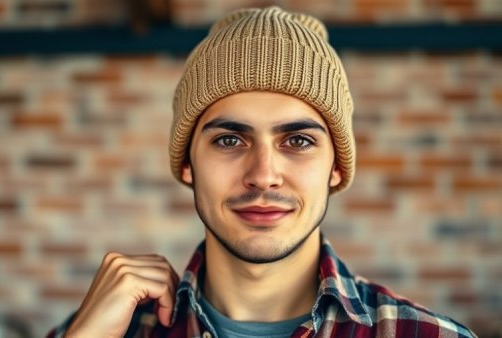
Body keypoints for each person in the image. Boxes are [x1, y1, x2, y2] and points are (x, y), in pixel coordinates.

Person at [48, 6, 476, 338]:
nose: (264, 175)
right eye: (230, 140)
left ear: (336, 166)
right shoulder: (103, 330)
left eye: (299, 141)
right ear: (186, 163)